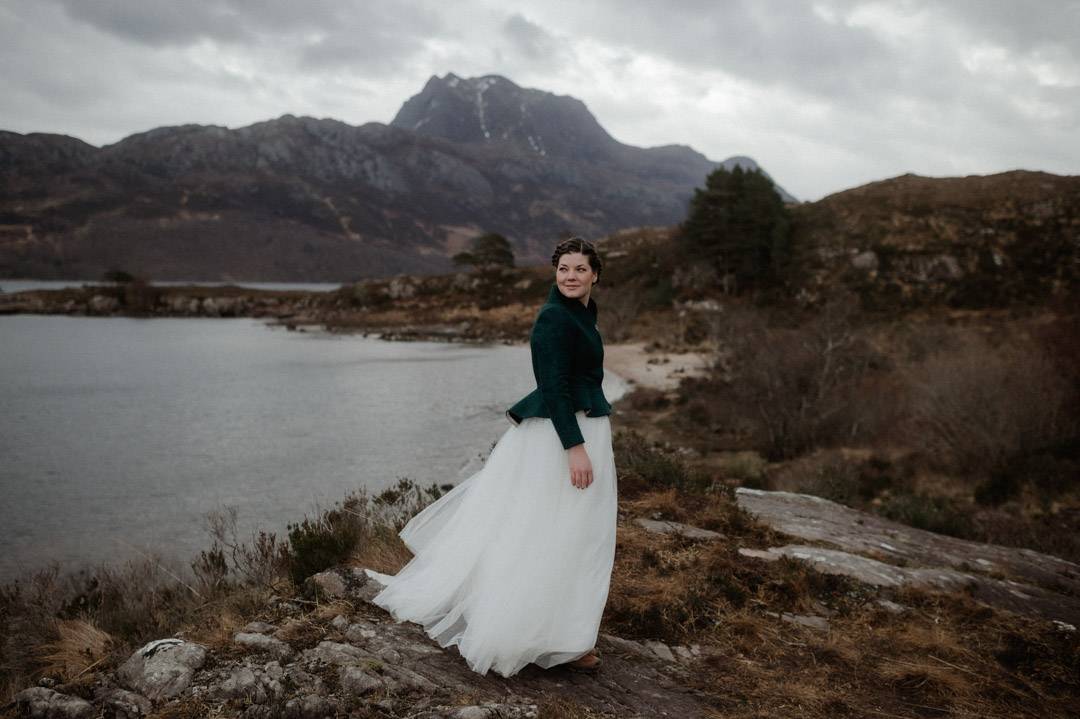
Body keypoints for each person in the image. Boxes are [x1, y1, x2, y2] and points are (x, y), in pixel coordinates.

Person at [372, 236, 616, 677]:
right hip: (564, 437)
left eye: (580, 269)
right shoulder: (552, 319)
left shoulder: (583, 312)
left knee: (578, 533)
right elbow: (553, 389)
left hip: (585, 429)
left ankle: (567, 631)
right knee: (549, 531)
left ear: (595, 274)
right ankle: (531, 631)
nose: (571, 277)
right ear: (554, 273)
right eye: (563, 269)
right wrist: (575, 448)